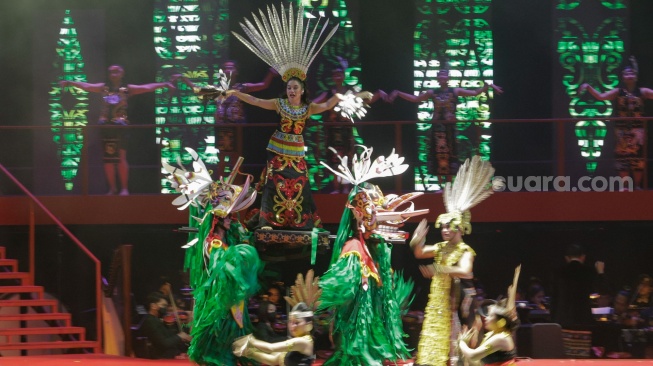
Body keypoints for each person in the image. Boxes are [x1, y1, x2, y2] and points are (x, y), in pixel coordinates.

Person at [229, 3, 371, 230]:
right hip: (277, 148)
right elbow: (256, 101)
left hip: (297, 151)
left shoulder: (308, 108)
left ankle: (305, 223)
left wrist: (353, 95)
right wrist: (237, 93)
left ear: (302, 90)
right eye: (289, 88)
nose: (291, 91)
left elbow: (328, 103)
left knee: (299, 185)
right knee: (273, 185)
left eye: (295, 87)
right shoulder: (279, 104)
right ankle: (266, 221)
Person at [317, 146, 429, 365]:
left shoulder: (377, 250)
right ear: (358, 216)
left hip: (374, 318)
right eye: (372, 216)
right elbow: (344, 287)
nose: (377, 223)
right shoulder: (354, 247)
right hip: (359, 324)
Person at [162, 148, 263, 365]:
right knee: (220, 350)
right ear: (217, 217)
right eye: (227, 215)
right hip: (220, 304)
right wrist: (242, 253)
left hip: (231, 303)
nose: (231, 219)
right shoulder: (213, 243)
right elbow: (226, 266)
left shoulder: (227, 240)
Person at [410, 155, 495, 366]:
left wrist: (439, 268)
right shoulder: (440, 247)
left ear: (460, 228)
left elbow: (466, 271)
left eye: (450, 226)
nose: (446, 230)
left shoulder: (466, 250)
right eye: (444, 227)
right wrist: (415, 242)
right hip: (440, 299)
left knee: (458, 340)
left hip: (459, 301)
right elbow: (420, 253)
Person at [60, 64, 175, 195]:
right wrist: (70, 82)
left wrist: (165, 84)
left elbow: (146, 88)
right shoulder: (103, 88)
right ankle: (112, 188)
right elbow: (87, 86)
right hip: (106, 126)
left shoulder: (127, 89)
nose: (113, 74)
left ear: (122, 73)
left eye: (116, 72)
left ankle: (124, 188)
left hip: (121, 126)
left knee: (121, 157)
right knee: (108, 158)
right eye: (111, 72)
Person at [389, 69, 502, 189]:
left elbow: (474, 92)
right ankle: (440, 186)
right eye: (440, 76)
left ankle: (448, 186)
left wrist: (489, 85)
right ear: (437, 79)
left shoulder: (455, 91)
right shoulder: (433, 92)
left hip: (450, 128)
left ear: (448, 78)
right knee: (437, 154)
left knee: (451, 154)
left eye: (445, 76)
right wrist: (398, 93)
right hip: (437, 128)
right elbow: (416, 99)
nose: (442, 78)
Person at [312, 60, 387, 193]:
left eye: (339, 74)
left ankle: (346, 188)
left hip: (346, 130)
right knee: (334, 159)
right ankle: (336, 188)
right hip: (332, 131)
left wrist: (379, 94)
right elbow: (315, 104)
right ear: (332, 77)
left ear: (344, 76)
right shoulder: (328, 93)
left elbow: (365, 101)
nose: (337, 77)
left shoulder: (350, 92)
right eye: (335, 75)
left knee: (347, 158)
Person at [579, 59, 653, 189]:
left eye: (632, 74)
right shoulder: (618, 92)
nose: (629, 76)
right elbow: (601, 97)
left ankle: (637, 186)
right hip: (622, 130)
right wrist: (588, 87)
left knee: (638, 160)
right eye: (626, 74)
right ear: (623, 77)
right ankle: (625, 186)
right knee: (622, 159)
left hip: (638, 131)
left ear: (636, 77)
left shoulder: (642, 92)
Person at [458, 266, 521, 366]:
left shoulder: (501, 338)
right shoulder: (494, 334)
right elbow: (477, 362)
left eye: (490, 316)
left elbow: (473, 356)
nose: (486, 318)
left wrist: (462, 343)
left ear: (500, 322)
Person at [232, 302, 316, 366]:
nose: (292, 326)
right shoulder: (297, 342)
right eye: (290, 321)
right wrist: (248, 352)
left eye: (297, 322)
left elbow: (270, 348)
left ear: (309, 325)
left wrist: (250, 340)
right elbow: (273, 360)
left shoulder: (303, 342)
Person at [550, 243, 606, 328]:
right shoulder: (589, 272)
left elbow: (554, 299)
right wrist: (600, 272)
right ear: (583, 257)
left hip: (562, 321)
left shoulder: (558, 272)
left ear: (566, 258)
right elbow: (603, 290)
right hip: (583, 320)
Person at [139, 292, 191, 359]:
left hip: (173, 355)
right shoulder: (151, 321)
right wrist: (179, 336)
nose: (165, 309)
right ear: (153, 306)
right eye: (163, 305)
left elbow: (170, 337)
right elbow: (164, 343)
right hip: (164, 359)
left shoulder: (157, 320)